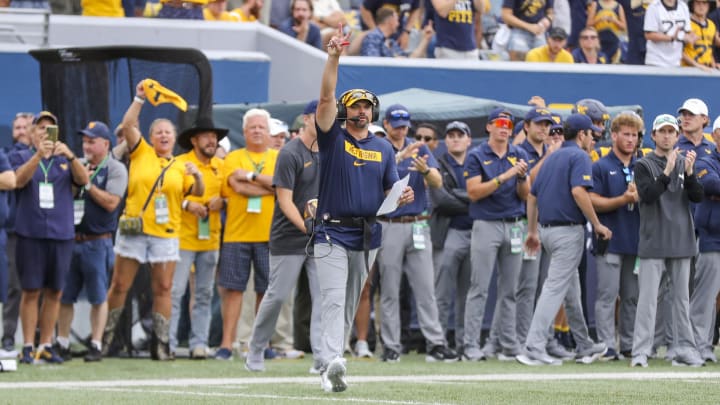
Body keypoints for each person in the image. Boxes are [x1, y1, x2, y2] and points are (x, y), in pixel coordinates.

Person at [313, 26, 413, 392]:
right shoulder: (333, 136)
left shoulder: (385, 148)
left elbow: (391, 186)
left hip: (368, 232)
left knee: (352, 300)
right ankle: (331, 363)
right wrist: (334, 57)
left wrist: (399, 196)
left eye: (367, 105)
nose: (362, 109)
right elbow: (324, 98)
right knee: (335, 299)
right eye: (355, 104)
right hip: (331, 229)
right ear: (345, 109)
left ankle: (329, 360)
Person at [103, 81, 204, 361]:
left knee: (163, 288)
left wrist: (197, 176)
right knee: (120, 285)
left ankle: (160, 345)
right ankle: (108, 340)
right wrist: (139, 98)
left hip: (166, 232)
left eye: (168, 132)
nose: (163, 135)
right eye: (158, 132)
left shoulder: (183, 163)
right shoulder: (141, 151)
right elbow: (127, 124)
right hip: (135, 229)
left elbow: (197, 193)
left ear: (174, 138)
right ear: (150, 136)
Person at [518, 113, 611, 366]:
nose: (594, 139)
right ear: (582, 135)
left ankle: (583, 344)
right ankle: (533, 347)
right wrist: (597, 224)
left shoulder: (553, 156)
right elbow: (578, 191)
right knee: (554, 288)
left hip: (548, 232)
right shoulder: (579, 156)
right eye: (592, 134)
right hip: (567, 232)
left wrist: (533, 231)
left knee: (571, 291)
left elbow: (532, 195)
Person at [245, 100, 323, 372]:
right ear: (305, 119)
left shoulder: (329, 151)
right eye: (318, 116)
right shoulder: (290, 153)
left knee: (322, 296)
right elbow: (285, 201)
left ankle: (322, 357)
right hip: (289, 237)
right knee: (277, 296)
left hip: (319, 237)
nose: (324, 121)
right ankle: (255, 348)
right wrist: (308, 227)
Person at [377, 104, 457, 364]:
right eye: (396, 124)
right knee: (389, 288)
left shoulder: (419, 147)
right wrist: (400, 158)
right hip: (389, 224)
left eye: (404, 124)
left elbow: (437, 182)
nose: (401, 129)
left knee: (425, 288)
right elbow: (372, 181)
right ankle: (390, 345)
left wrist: (424, 169)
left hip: (418, 223)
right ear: (386, 124)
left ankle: (435, 343)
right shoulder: (378, 147)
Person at [11, 111, 87, 364]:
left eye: (50, 128)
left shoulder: (64, 160)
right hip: (31, 233)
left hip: (61, 233)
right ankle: (28, 346)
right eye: (40, 128)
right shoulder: (20, 156)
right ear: (32, 133)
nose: (45, 132)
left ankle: (46, 344)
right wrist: (37, 156)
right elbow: (18, 181)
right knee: (31, 290)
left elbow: (84, 180)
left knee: (55, 291)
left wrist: (71, 155)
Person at [630, 114, 704, 368]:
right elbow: (648, 195)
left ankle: (685, 348)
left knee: (682, 301)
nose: (667, 136)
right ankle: (640, 352)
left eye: (671, 131)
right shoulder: (643, 164)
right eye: (662, 131)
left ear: (676, 135)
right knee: (648, 301)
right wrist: (668, 170)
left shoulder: (685, 161)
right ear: (653, 135)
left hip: (682, 242)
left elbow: (697, 197)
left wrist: (690, 173)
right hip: (653, 242)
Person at [55, 121, 127, 363]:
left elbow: (111, 203)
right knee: (65, 295)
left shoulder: (115, 169)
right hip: (71, 239)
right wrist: (79, 174)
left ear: (105, 144)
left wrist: (87, 183)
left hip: (98, 242)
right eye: (84, 141)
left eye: (91, 141)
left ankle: (96, 344)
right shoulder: (80, 166)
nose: (86, 145)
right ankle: (62, 342)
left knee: (98, 296)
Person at [215, 108, 277, 360]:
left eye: (262, 126)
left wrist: (253, 178)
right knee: (233, 290)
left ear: (269, 131)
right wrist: (268, 186)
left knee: (267, 291)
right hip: (236, 234)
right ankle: (226, 344)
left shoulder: (279, 156)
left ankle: (261, 344)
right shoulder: (232, 157)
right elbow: (236, 187)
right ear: (244, 132)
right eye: (252, 127)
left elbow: (282, 182)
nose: (257, 130)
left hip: (269, 234)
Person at [168, 117, 227, 359]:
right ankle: (168, 342)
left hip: (210, 238)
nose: (212, 140)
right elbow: (170, 192)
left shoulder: (222, 166)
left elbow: (231, 196)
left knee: (204, 293)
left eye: (214, 137)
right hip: (182, 237)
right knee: (175, 291)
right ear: (194, 140)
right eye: (206, 136)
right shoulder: (180, 163)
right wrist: (187, 203)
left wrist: (222, 202)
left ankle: (199, 343)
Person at [588, 112, 642, 361]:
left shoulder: (642, 166)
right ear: (614, 135)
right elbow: (592, 201)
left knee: (632, 296)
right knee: (607, 295)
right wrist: (623, 199)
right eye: (626, 134)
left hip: (636, 241)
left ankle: (629, 344)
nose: (630, 139)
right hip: (610, 241)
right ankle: (607, 345)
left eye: (634, 135)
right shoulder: (600, 166)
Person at [430, 121, 472, 352]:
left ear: (468, 140)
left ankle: (464, 343)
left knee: (467, 295)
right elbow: (441, 200)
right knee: (442, 294)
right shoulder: (438, 164)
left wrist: (460, 194)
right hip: (447, 234)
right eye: (451, 135)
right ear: (446, 141)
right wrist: (472, 199)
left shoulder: (476, 164)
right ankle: (439, 343)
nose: (455, 139)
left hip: (474, 233)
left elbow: (485, 195)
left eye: (460, 135)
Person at [1, 112, 33, 355]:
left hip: (40, 231)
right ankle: (9, 338)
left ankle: (39, 340)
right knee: (13, 286)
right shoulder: (10, 155)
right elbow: (12, 179)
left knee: (38, 287)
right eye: (17, 127)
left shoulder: (49, 157)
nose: (20, 131)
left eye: (25, 127)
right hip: (13, 231)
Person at [690, 115, 720, 364]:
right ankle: (700, 346)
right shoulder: (706, 159)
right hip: (712, 238)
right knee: (706, 295)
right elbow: (711, 184)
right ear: (716, 135)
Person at [361, 8, 434, 57]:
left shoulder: (391, 42)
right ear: (390, 21)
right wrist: (394, 59)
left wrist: (426, 39)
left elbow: (408, 61)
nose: (398, 24)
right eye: (397, 20)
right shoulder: (372, 37)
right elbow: (372, 64)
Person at [644, 0, 696, 67]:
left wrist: (689, 37)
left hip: (676, 62)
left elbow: (686, 32)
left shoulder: (683, 6)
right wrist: (671, 38)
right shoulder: (654, 7)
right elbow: (649, 35)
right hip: (656, 61)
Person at [682, 0, 718, 70]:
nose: (701, 6)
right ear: (692, 5)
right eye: (698, 2)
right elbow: (678, 52)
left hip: (706, 69)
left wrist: (714, 65)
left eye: (704, 3)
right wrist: (696, 65)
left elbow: (709, 50)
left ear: (709, 5)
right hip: (688, 69)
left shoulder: (712, 25)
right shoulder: (686, 24)